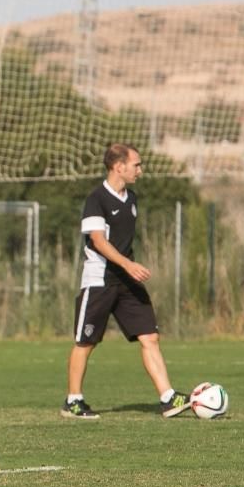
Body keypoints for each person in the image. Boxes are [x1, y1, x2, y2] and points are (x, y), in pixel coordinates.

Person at [62, 142, 189, 420]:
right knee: (86, 341)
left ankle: (167, 398)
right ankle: (73, 401)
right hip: (100, 280)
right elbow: (97, 241)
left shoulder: (131, 198)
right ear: (119, 166)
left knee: (150, 336)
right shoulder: (96, 199)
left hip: (127, 281)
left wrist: (128, 269)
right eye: (136, 165)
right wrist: (129, 264)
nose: (140, 170)